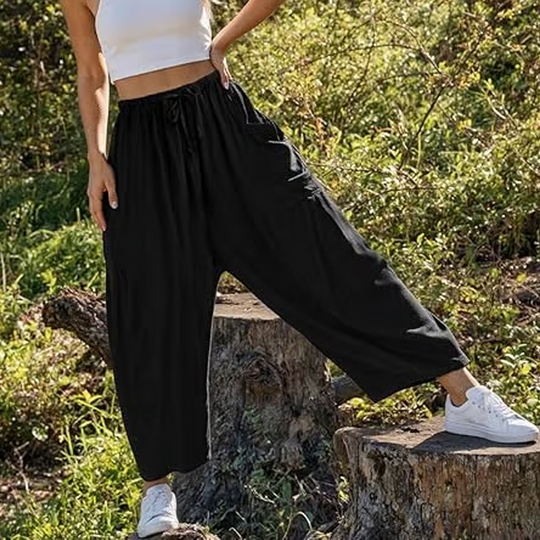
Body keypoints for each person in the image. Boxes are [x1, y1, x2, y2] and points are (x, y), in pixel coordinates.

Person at [59, 0, 538, 536]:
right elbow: (92, 71)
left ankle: (463, 393)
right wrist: (96, 157)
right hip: (143, 153)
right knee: (148, 307)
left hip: (223, 127)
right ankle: (157, 489)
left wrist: (221, 42)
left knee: (332, 254)